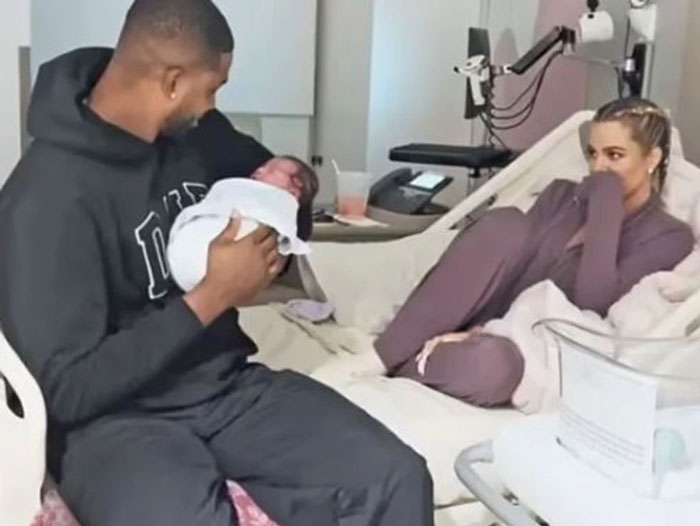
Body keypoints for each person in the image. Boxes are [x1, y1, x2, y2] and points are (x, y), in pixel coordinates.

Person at [0, 1, 433, 525]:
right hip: (113, 424)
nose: (212, 106)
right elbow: (66, 391)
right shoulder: (43, 201)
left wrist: (295, 183)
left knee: (397, 476)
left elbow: (272, 184)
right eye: (213, 88)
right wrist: (210, 298)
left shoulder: (197, 135)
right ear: (172, 81)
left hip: (226, 389)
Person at [366, 98, 694, 407]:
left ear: (652, 158)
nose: (598, 166)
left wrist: (606, 202)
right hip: (469, 309)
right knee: (505, 225)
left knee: (494, 369)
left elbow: (593, 302)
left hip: (517, 343)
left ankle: (408, 361)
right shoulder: (563, 195)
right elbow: (500, 264)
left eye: (614, 155)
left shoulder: (669, 236)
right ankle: (383, 356)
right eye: (593, 154)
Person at [167, 155, 319, 292]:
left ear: (294, 190)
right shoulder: (240, 187)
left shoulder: (283, 205)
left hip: (225, 264)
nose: (259, 170)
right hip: (186, 258)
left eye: (271, 169)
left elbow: (287, 233)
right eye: (263, 166)